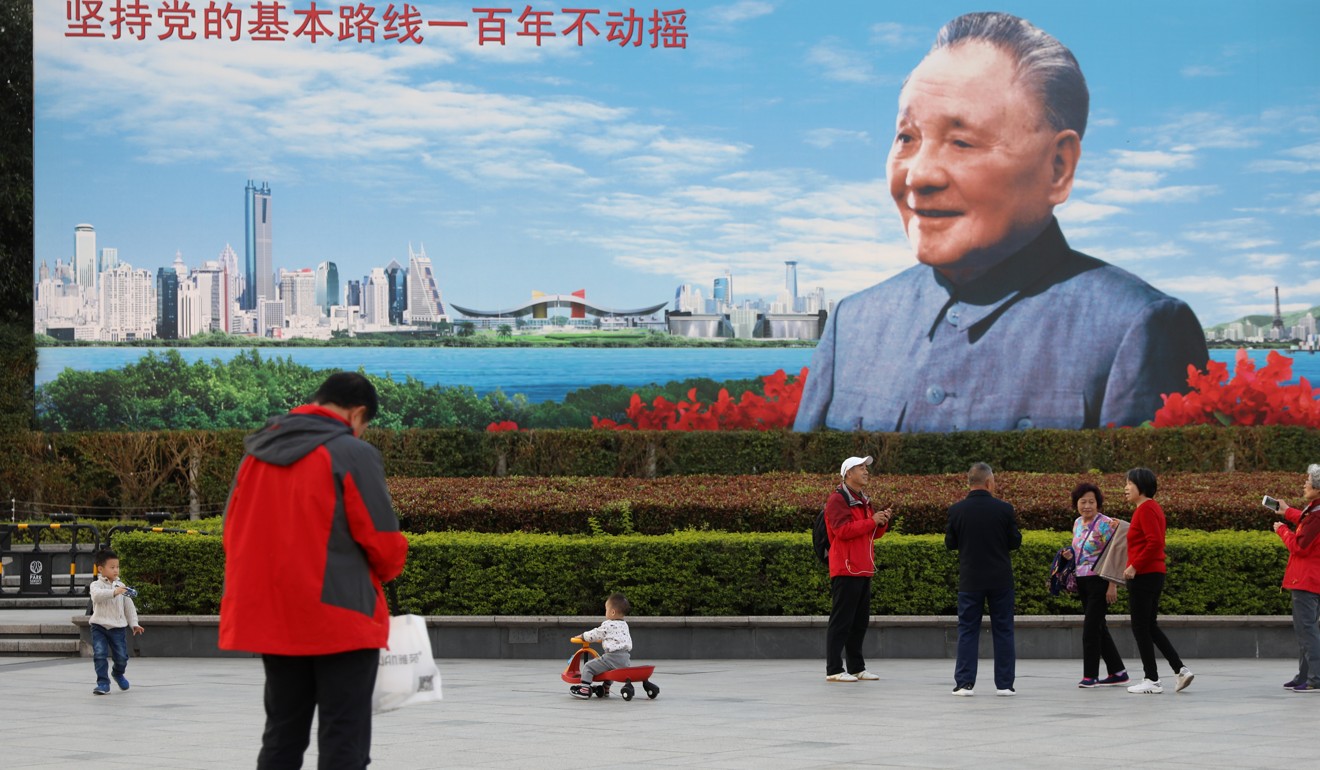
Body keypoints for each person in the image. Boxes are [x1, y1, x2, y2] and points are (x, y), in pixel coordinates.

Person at [794, 11, 1208, 433]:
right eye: (907, 138)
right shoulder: (854, 322)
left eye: (961, 141)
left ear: (1058, 167)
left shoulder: (1136, 327)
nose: (919, 175)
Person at [220, 372, 409, 769]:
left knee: (282, 737)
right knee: (344, 739)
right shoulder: (351, 453)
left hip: (276, 620)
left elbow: (233, 531)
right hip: (341, 619)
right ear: (357, 414)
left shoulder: (257, 452)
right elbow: (384, 543)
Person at [945, 462, 1021, 696]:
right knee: (1004, 630)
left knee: (967, 630)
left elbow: (950, 544)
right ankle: (1005, 684)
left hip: (970, 580)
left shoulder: (956, 510)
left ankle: (965, 683)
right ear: (989, 482)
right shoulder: (1004, 509)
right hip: (1000, 580)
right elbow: (1015, 542)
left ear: (970, 483)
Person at [1122, 467, 1194, 694]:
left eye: (1129, 483)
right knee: (1149, 626)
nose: (1125, 488)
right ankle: (1180, 670)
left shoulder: (1146, 509)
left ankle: (1151, 679)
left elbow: (1154, 542)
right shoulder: (1147, 509)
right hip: (1151, 574)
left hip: (1144, 575)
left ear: (1141, 486)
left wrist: (1134, 566)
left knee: (1140, 627)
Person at [823, 455, 893, 682]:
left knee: (859, 622)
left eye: (866, 467)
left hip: (863, 568)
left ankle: (856, 667)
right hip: (845, 568)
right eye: (861, 467)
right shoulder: (837, 499)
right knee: (841, 621)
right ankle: (834, 669)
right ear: (848, 473)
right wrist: (872, 521)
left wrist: (881, 521)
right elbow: (842, 531)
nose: (866, 471)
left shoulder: (864, 499)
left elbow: (873, 534)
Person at [1062, 483, 1128, 688]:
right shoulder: (1077, 523)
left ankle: (1090, 676)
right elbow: (1080, 550)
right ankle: (1118, 672)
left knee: (1090, 628)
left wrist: (1112, 585)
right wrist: (1069, 555)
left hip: (1100, 580)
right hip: (1082, 581)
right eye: (1083, 502)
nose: (1087, 506)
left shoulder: (1107, 524)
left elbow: (1116, 553)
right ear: (1076, 504)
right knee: (1099, 626)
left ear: (1098, 504)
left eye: (1091, 502)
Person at [1269, 464, 1320, 693]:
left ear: (1318, 488)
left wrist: (1282, 530)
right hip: (1311, 580)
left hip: (1306, 581)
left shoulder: (1317, 515)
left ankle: (1315, 678)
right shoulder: (1315, 510)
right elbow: (1305, 520)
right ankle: (1304, 676)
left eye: (1307, 481)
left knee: (1307, 631)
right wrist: (1287, 510)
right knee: (1307, 630)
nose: (1304, 484)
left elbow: (1299, 547)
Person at [88, 548, 144, 695]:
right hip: (99, 625)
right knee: (100, 654)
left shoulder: (121, 585)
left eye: (117, 567)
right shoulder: (96, 585)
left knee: (121, 657)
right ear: (101, 569)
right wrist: (114, 592)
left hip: (117, 627)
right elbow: (97, 597)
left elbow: (129, 606)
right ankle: (102, 683)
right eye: (112, 567)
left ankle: (118, 673)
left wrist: (134, 623)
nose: (116, 570)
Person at [569, 592, 634, 698]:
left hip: (611, 657)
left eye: (606, 610)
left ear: (612, 612)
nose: (605, 613)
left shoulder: (608, 624)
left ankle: (585, 689)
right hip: (625, 659)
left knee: (588, 666)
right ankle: (606, 688)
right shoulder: (624, 625)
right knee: (611, 671)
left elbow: (595, 634)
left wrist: (582, 636)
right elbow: (616, 638)